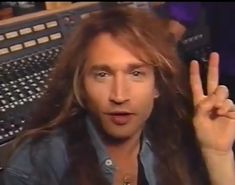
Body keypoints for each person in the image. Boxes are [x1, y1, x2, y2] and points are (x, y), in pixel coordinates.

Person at [3, 6, 235, 185]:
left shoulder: (178, 143)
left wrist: (217, 155)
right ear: (81, 85)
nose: (119, 95)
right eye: (102, 74)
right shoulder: (35, 165)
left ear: (157, 85)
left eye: (136, 73)